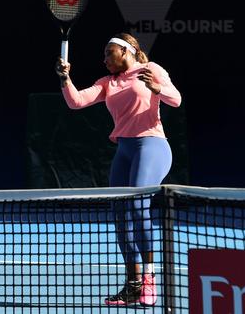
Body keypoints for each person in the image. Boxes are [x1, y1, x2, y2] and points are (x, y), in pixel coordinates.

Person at [55, 33, 181, 307]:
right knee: (120, 215)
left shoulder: (151, 70)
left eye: (108, 53)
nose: (104, 59)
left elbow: (177, 99)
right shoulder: (107, 83)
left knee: (137, 206)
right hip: (124, 151)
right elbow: (75, 101)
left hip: (152, 146)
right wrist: (65, 78)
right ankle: (133, 284)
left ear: (127, 51)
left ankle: (149, 279)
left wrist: (158, 88)